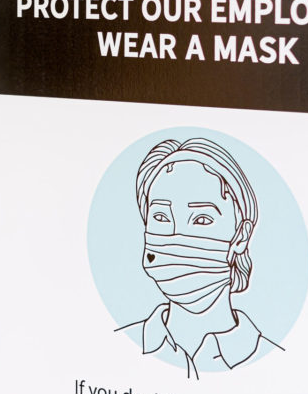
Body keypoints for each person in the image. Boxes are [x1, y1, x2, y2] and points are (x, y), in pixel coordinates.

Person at [116, 137, 280, 379]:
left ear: (241, 236)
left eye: (202, 219)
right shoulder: (113, 344)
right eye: (161, 217)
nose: (176, 235)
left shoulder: (277, 362)